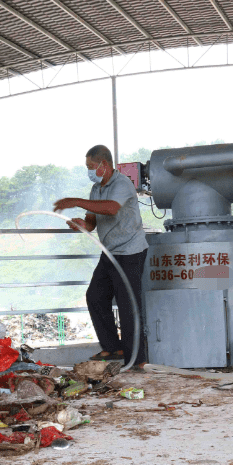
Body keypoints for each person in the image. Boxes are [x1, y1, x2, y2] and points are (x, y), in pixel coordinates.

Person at [53, 145, 148, 366]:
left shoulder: (122, 184)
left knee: (127, 304)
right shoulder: (96, 189)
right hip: (110, 252)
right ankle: (113, 348)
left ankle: (136, 359)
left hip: (130, 252)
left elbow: (111, 208)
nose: (89, 171)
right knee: (95, 296)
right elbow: (93, 221)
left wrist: (75, 201)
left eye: (91, 167)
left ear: (104, 165)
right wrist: (82, 225)